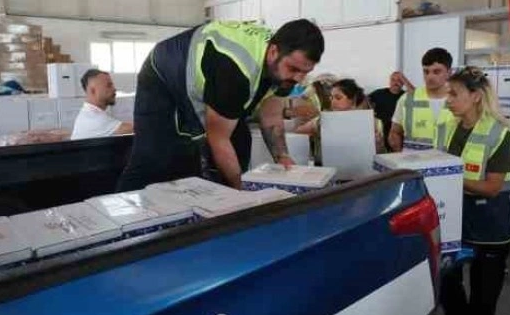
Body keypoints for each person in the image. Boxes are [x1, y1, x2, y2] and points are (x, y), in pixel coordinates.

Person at [115, 19, 324, 191]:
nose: (298, 78)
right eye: (294, 69)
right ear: (273, 52)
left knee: (241, 141)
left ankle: (216, 206)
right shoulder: (237, 69)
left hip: (208, 77)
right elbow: (219, 138)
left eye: (305, 72)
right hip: (163, 75)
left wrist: (283, 157)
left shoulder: (285, 69)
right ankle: (116, 215)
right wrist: (242, 193)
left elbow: (270, 117)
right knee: (155, 154)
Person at [435, 66, 510, 315]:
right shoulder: (446, 126)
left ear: (475, 96)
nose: (447, 100)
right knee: (448, 288)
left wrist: (449, 174)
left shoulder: (501, 135)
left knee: (483, 302)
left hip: (489, 226)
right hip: (454, 223)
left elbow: (493, 187)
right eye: (447, 94)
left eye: (454, 94)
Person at [389, 48, 454, 152]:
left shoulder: (460, 100)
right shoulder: (407, 99)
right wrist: (399, 154)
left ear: (449, 72)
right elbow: (395, 132)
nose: (430, 77)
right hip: (411, 165)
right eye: (426, 71)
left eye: (436, 72)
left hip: (447, 166)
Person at [295, 79, 384, 154]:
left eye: (338, 98)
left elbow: (380, 154)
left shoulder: (372, 123)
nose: (333, 102)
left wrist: (377, 145)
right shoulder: (323, 121)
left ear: (353, 100)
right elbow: (298, 132)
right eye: (331, 98)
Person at [71, 69, 133, 140]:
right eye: (109, 85)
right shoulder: (93, 119)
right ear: (93, 90)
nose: (114, 89)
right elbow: (137, 129)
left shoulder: (89, 113)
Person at [368, 71, 415, 151]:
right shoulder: (379, 93)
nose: (395, 83)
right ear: (389, 81)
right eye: (393, 80)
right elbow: (365, 100)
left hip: (398, 130)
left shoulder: (405, 96)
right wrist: (370, 111)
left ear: (403, 83)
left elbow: (416, 95)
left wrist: (404, 79)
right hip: (382, 129)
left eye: (399, 80)